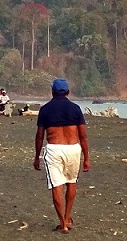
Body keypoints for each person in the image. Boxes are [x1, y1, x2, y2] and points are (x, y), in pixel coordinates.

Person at [33, 79, 90, 234]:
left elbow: (39, 136)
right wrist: (87, 158)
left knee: (56, 186)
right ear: (67, 92)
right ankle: (67, 217)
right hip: (73, 149)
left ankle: (63, 223)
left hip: (54, 149)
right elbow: (83, 136)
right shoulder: (75, 108)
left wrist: (37, 156)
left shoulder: (45, 109)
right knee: (71, 183)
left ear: (52, 92)